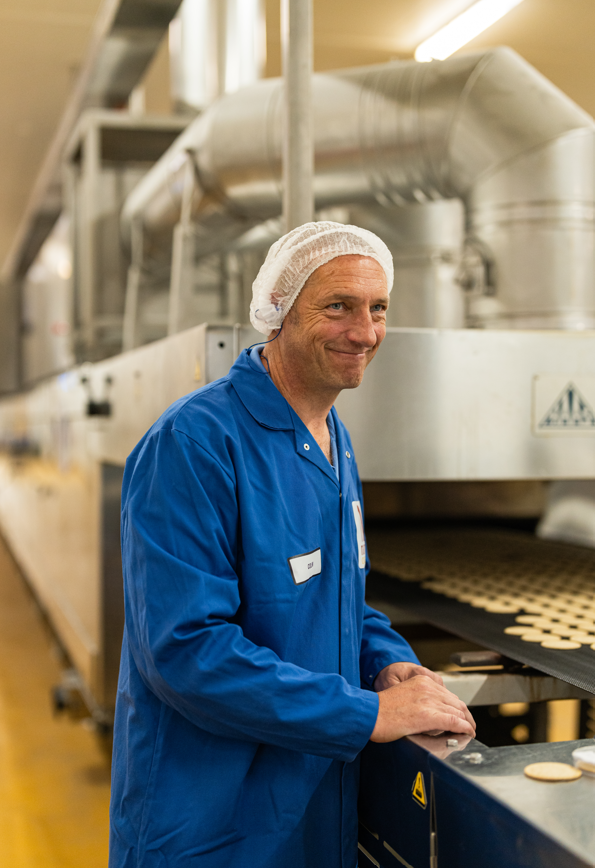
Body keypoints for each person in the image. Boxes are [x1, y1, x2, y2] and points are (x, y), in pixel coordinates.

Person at [109, 222, 475, 868]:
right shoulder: (194, 446)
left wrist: (387, 660)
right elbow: (187, 652)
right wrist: (367, 714)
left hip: (310, 816)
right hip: (210, 830)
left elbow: (339, 598)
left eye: (377, 309)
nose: (363, 332)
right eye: (337, 307)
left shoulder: (333, 440)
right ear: (276, 313)